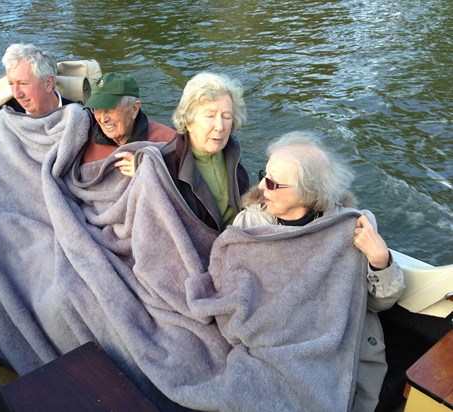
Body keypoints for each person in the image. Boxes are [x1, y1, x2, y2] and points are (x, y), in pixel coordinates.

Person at [233, 131, 405, 412]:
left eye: (274, 183)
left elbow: (378, 303)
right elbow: (235, 290)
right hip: (275, 338)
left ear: (307, 192)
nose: (262, 187)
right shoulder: (250, 223)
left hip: (337, 341)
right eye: (264, 174)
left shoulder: (353, 228)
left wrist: (380, 262)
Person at [138, 71, 249, 232]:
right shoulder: (167, 166)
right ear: (188, 121)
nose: (220, 126)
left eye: (226, 116)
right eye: (210, 115)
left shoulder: (233, 152)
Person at [81, 72, 176, 166]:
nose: (103, 119)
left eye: (110, 109)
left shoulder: (169, 142)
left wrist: (147, 172)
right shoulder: (84, 141)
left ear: (134, 109)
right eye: (97, 109)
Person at [2, 43, 74, 116]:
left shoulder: (79, 115)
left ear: (48, 83)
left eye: (23, 84)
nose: (16, 95)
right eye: (11, 83)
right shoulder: (8, 116)